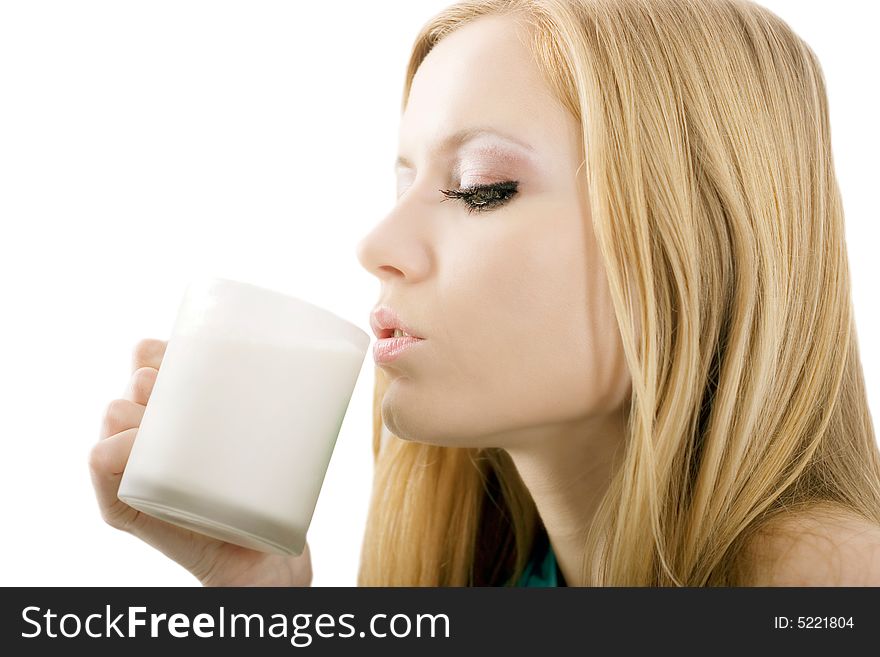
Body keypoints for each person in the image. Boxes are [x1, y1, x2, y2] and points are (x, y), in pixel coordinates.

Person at [90, 0, 880, 587]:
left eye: (479, 188)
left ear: (699, 236)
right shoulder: (484, 576)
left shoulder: (828, 578)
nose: (376, 246)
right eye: (403, 182)